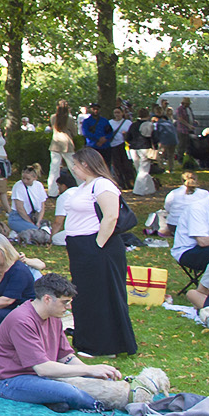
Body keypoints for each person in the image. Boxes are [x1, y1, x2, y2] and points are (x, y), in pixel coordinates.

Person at [0, 274, 126, 411]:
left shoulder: (54, 316)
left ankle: (54, 400)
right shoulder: (21, 321)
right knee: (70, 392)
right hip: (10, 382)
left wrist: (92, 374)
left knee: (102, 383)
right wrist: (89, 370)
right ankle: (101, 407)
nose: (68, 307)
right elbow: (42, 368)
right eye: (65, 302)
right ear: (47, 299)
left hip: (43, 377)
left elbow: (65, 356)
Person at [56, 147, 136, 356]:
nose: (73, 169)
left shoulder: (102, 184)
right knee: (85, 295)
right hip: (80, 246)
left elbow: (111, 216)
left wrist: (97, 245)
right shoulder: (84, 186)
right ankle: (87, 340)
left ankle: (106, 345)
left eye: (75, 164)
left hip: (98, 246)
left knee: (101, 294)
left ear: (86, 164)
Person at [7, 163, 51, 243]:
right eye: (23, 178)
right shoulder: (18, 186)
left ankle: (18, 234)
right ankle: (17, 236)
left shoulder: (39, 186)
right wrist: (30, 222)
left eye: (28, 179)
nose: (25, 181)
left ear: (35, 178)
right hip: (17, 217)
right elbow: (20, 208)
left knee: (40, 232)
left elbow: (42, 207)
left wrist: (38, 221)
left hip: (33, 216)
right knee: (37, 233)